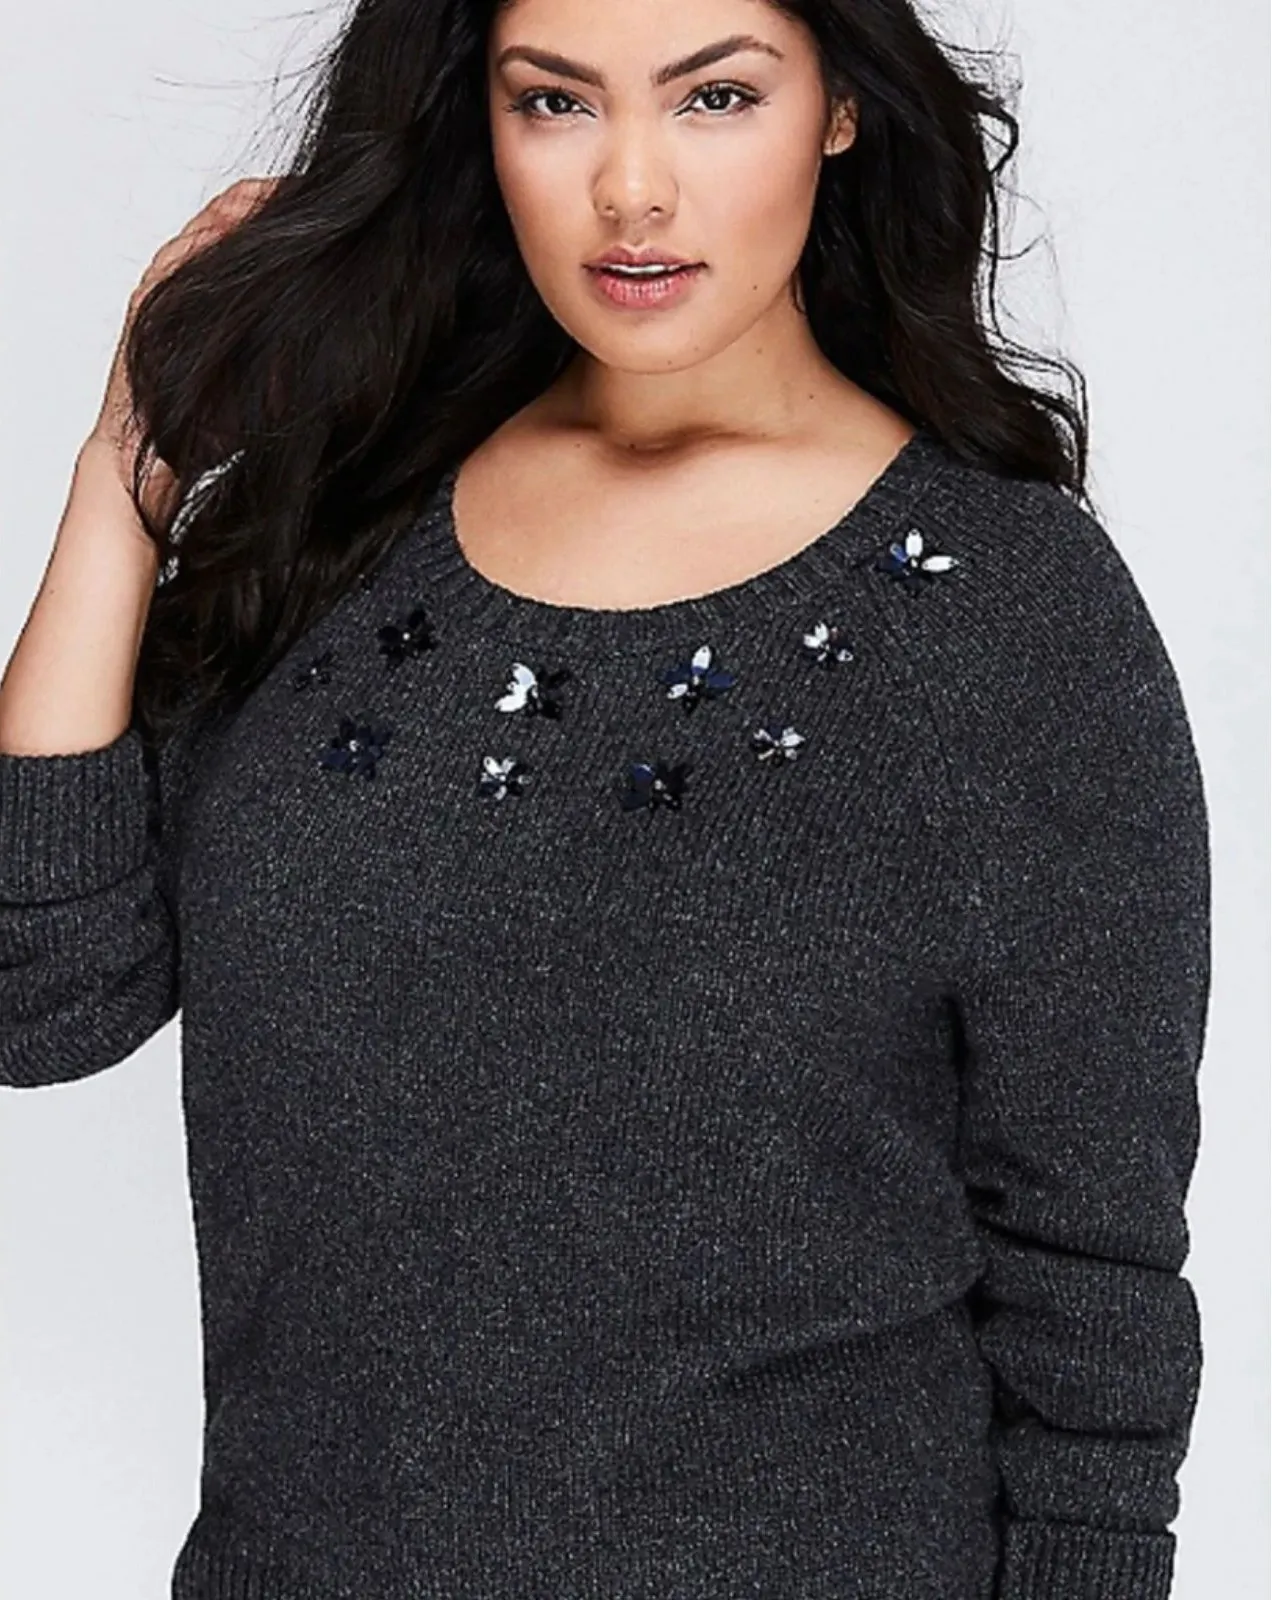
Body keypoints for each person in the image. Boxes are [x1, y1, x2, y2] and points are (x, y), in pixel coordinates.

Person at [0, 1, 1211, 1597]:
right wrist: (127, 477)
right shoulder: (341, 528)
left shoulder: (1004, 609)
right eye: (556, 103)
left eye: (715, 97)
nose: (632, 189)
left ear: (842, 108)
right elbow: (44, 995)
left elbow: (1095, 1304)